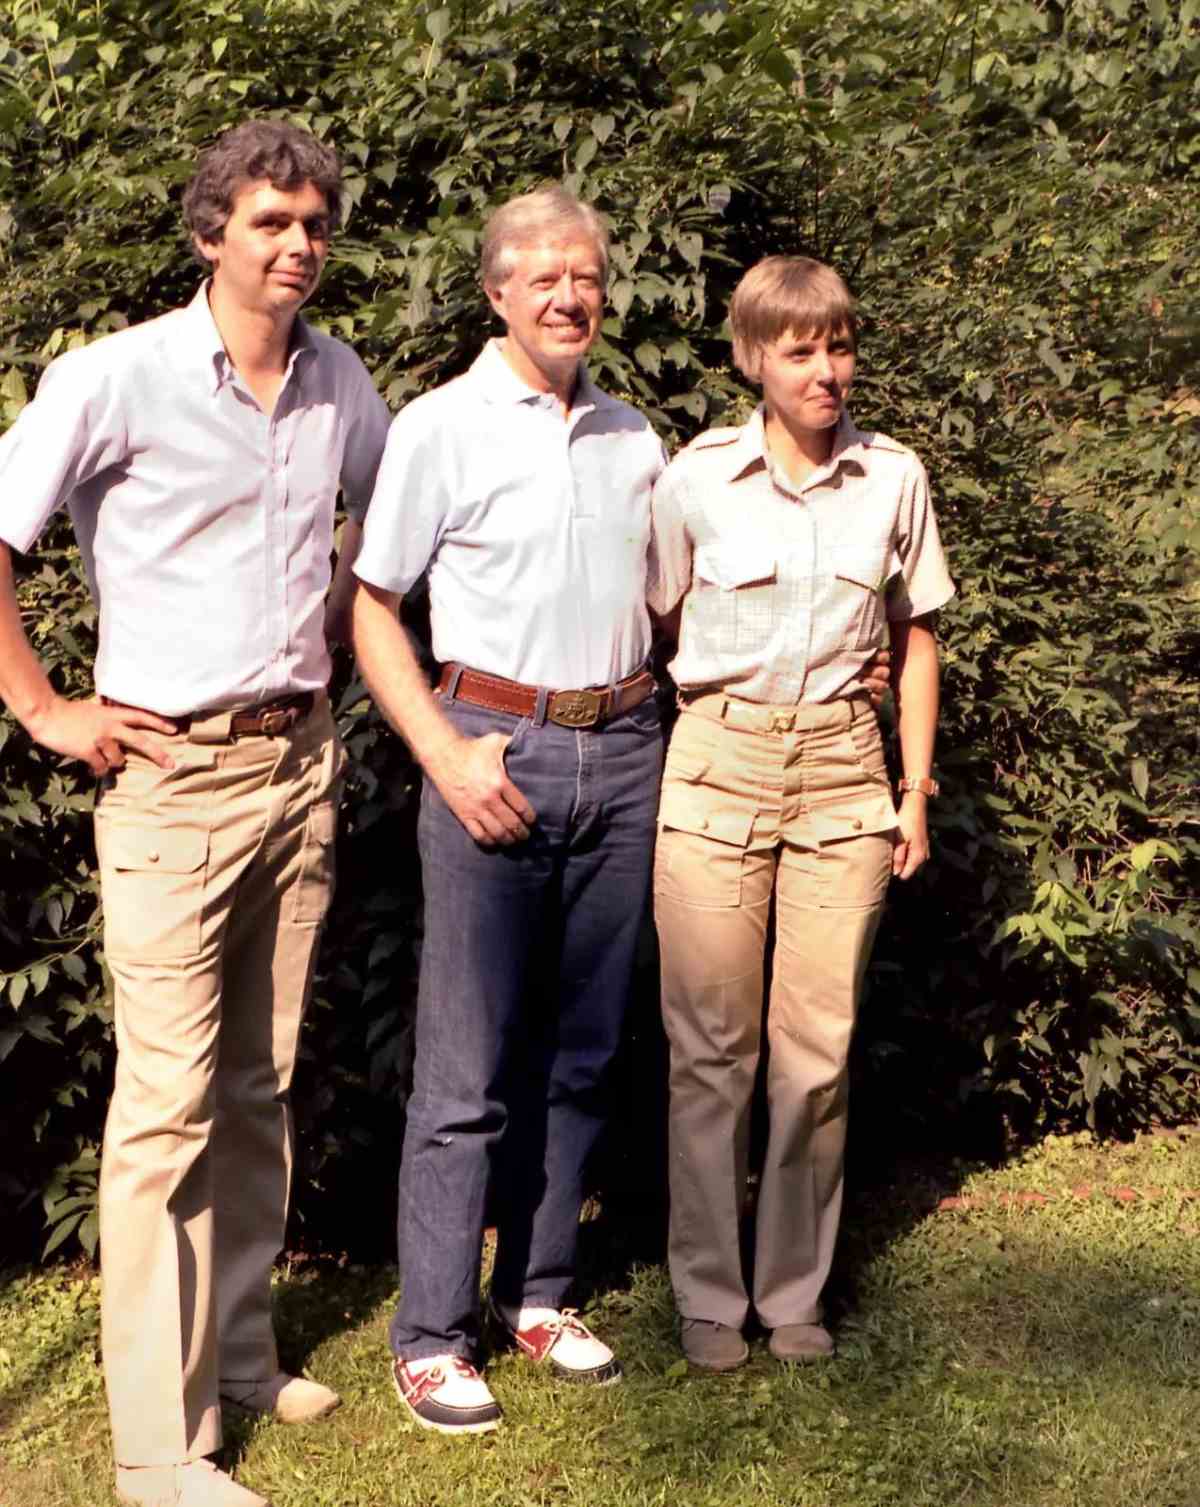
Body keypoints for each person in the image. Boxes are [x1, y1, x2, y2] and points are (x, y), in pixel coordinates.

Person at [0, 121, 390, 1507]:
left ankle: (237, 1353)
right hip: (168, 783)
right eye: (270, 221)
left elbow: (386, 542)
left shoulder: (343, 382)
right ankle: (159, 1449)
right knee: (162, 1108)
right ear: (211, 231)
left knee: (258, 1079)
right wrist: (49, 708)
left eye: (314, 223)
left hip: (298, 767)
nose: (296, 245)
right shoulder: (117, 377)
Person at [350, 185, 671, 1434]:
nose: (568, 295)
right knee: (467, 1067)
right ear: (496, 292)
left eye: (585, 274)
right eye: (541, 276)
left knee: (585, 1052)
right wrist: (444, 752)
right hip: (496, 754)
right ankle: (431, 1334)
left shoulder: (635, 434)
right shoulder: (442, 428)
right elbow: (373, 608)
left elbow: (679, 602)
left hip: (628, 746)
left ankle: (537, 1295)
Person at [648, 255, 954, 1373]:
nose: (828, 370)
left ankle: (792, 1293)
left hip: (843, 775)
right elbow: (657, 624)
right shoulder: (694, 480)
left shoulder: (893, 478)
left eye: (839, 344)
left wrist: (911, 786)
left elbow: (917, 632)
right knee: (711, 1054)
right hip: (717, 767)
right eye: (800, 349)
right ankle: (709, 1296)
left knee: (814, 1055)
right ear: (752, 360)